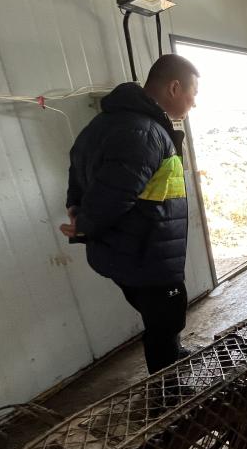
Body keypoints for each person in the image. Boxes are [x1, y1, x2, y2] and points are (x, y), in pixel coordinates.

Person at [60, 54, 199, 374]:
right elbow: (115, 194)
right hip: (145, 251)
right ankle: (168, 391)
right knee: (166, 320)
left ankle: (172, 355)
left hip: (122, 249)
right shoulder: (144, 132)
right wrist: (84, 224)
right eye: (193, 93)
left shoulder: (103, 123)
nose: (194, 102)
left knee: (158, 317)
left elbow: (77, 170)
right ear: (174, 88)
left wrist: (75, 208)